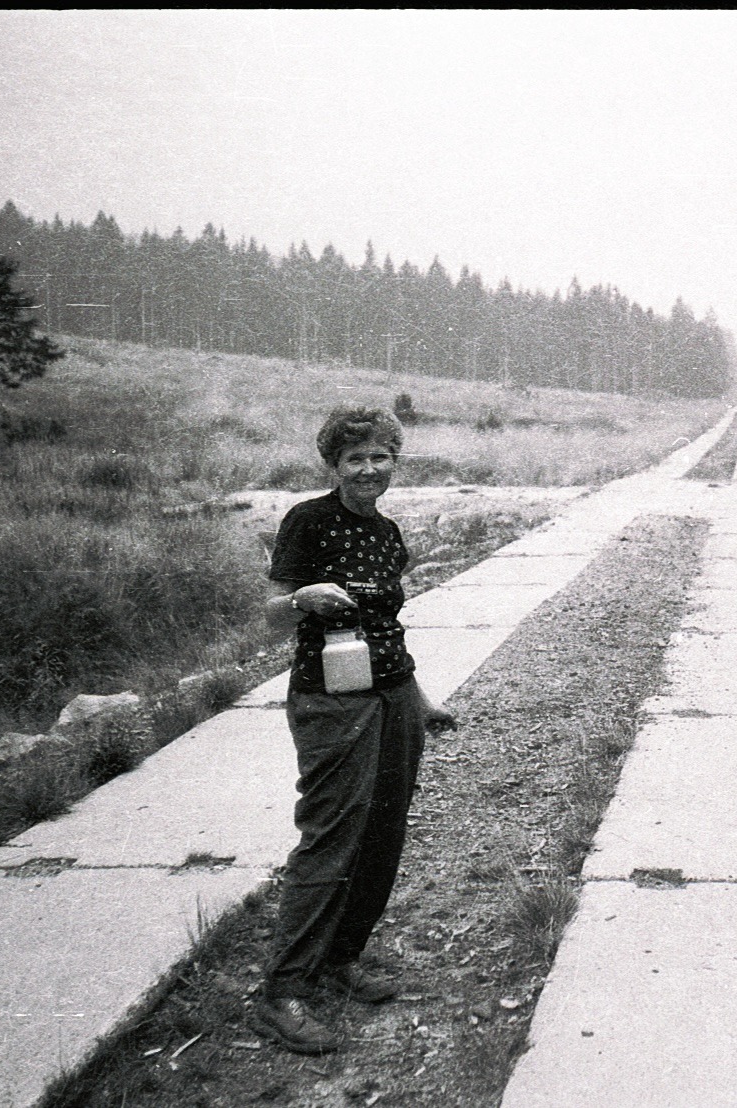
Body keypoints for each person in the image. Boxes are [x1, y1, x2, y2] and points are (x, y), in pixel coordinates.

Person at [251, 404, 456, 1055]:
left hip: (394, 699)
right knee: (331, 836)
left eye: (380, 458)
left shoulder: (389, 533)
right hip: (331, 701)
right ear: (334, 464)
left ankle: (341, 959)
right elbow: (267, 615)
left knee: (383, 833)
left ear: (395, 462)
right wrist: (301, 600)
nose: (369, 469)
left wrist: (420, 702)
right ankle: (283, 990)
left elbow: (389, 630)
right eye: (355, 459)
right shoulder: (307, 522)